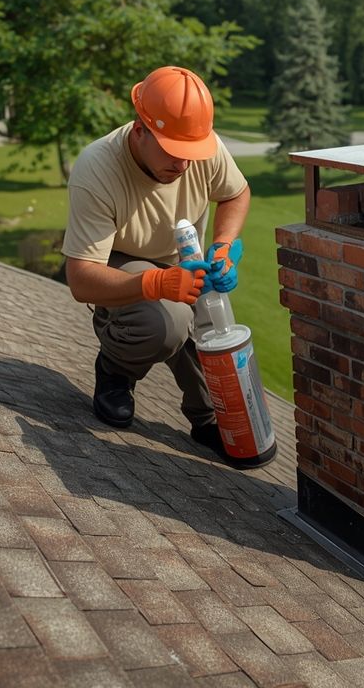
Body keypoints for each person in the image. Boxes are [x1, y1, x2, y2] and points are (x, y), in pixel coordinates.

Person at [61, 66, 249, 461]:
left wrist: (223, 245)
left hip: (183, 254)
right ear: (140, 129)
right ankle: (115, 370)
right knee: (167, 323)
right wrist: (156, 285)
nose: (183, 165)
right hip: (118, 259)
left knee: (212, 320)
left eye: (191, 154)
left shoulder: (200, 146)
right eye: (173, 152)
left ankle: (208, 419)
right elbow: (80, 280)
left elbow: (237, 193)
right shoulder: (97, 169)